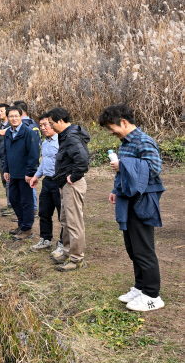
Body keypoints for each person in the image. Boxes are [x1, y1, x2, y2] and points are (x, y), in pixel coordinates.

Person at [99, 103, 166, 311]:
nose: (110, 131)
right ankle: (140, 287)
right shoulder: (125, 141)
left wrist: (123, 165)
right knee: (132, 247)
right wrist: (115, 188)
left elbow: (154, 168)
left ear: (124, 122)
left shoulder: (143, 141)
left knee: (144, 248)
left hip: (142, 200)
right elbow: (123, 173)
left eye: (111, 127)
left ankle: (152, 295)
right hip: (127, 197)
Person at [49, 107, 90, 272]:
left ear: (60, 121)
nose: (51, 127)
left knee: (74, 223)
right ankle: (67, 252)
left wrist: (72, 178)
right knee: (66, 220)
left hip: (73, 184)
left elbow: (82, 160)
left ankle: (77, 259)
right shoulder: (66, 136)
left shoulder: (71, 137)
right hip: (66, 185)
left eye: (52, 123)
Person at [2, 106, 40, 240]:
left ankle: (27, 229)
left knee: (27, 201)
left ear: (21, 117)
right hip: (13, 173)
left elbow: (34, 154)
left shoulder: (28, 132)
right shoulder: (8, 133)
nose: (14, 118)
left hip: (25, 174)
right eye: (11, 116)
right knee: (13, 199)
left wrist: (30, 172)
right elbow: (6, 153)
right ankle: (21, 224)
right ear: (8, 118)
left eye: (16, 116)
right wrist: (6, 169)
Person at [29, 111, 63, 252]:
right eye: (41, 125)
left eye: (45, 125)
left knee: (63, 215)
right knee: (44, 212)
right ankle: (46, 239)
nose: (42, 128)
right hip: (47, 182)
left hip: (59, 183)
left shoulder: (61, 141)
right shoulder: (45, 142)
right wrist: (37, 175)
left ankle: (63, 243)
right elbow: (45, 162)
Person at [14, 100, 41, 216]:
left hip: (25, 160)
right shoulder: (33, 122)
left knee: (28, 185)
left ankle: (32, 208)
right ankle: (32, 208)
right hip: (33, 158)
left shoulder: (23, 126)